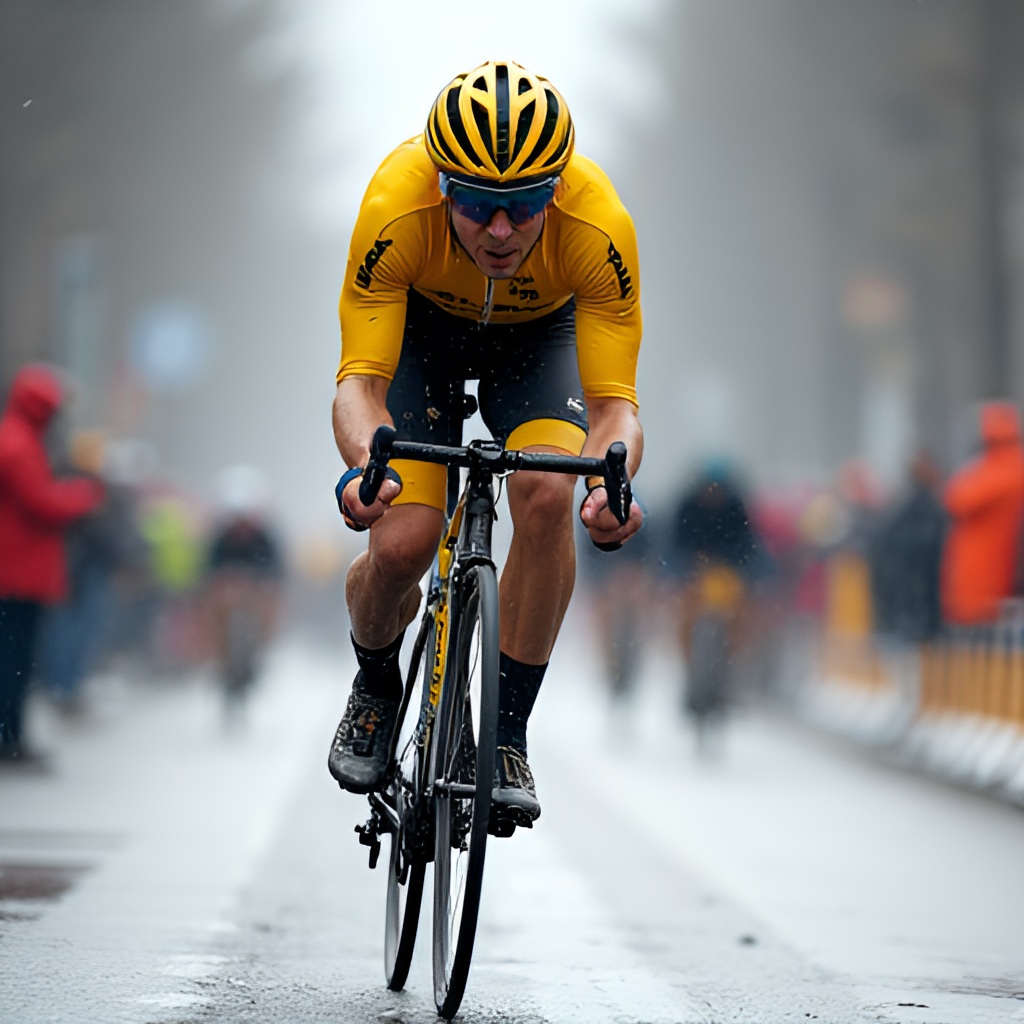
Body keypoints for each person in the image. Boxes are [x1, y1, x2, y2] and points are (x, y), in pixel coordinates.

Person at [327, 61, 643, 824]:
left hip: (538, 343)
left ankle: (505, 734)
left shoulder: (599, 227)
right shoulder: (395, 207)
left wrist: (610, 487)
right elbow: (360, 385)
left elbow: (614, 410)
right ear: (441, 188)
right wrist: (365, 466)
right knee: (403, 546)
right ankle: (376, 680)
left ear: (556, 192)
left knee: (546, 494)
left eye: (525, 204)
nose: (500, 230)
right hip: (423, 338)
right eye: (475, 203)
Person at [0, 366, 103, 764]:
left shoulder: (18, 439)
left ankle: (12, 735)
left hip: (18, 572)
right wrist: (83, 496)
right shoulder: (19, 444)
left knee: (17, 660)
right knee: (14, 661)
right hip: (16, 573)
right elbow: (40, 501)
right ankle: (8, 737)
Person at [941, 401, 1024, 627]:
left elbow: (957, 497)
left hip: (984, 583)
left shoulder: (1004, 467)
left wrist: (969, 466)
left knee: (982, 638)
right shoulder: (1008, 465)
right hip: (992, 581)